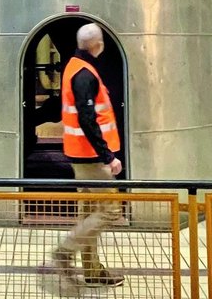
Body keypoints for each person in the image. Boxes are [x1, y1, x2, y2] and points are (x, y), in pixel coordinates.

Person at [49, 23, 125, 288]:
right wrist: (108, 157)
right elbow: (87, 118)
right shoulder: (84, 74)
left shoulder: (73, 65)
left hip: (79, 154)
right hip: (91, 158)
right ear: (96, 44)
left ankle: (92, 271)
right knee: (112, 210)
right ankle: (64, 251)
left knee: (89, 213)